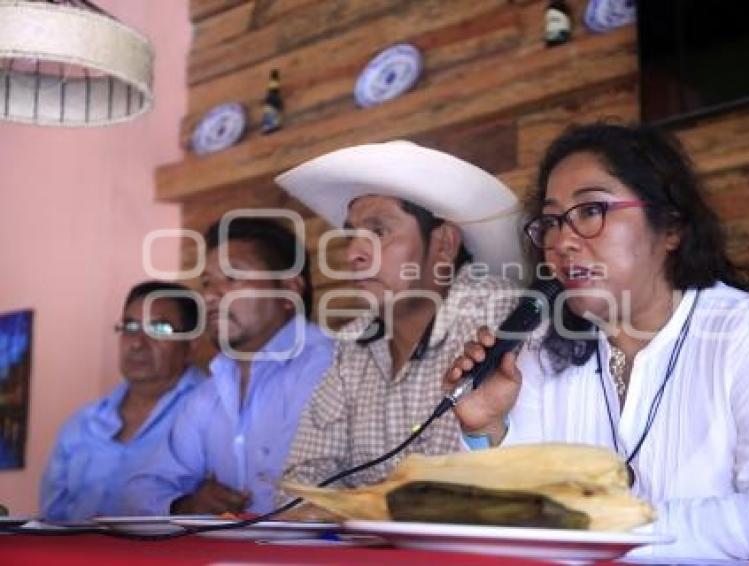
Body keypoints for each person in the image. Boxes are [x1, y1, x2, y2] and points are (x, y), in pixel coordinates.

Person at [445, 123, 749, 559]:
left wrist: (607, 528)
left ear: (670, 226)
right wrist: (487, 429)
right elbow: (515, 519)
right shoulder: (543, 354)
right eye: (550, 222)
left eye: (591, 211)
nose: (561, 242)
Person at [274, 141, 524, 497]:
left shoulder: (497, 315)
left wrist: (356, 505)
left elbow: (479, 490)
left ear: (444, 244)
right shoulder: (352, 343)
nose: (355, 253)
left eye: (379, 232)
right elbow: (299, 482)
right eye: (351, 235)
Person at [123, 218, 334, 515]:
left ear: (289, 291)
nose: (210, 296)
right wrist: (186, 505)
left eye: (233, 278)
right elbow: (140, 491)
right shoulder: (210, 393)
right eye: (207, 283)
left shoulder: (335, 369)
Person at [40, 281, 204, 521]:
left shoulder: (212, 412)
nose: (137, 343)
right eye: (130, 326)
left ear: (191, 345)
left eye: (160, 328)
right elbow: (50, 519)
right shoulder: (81, 424)